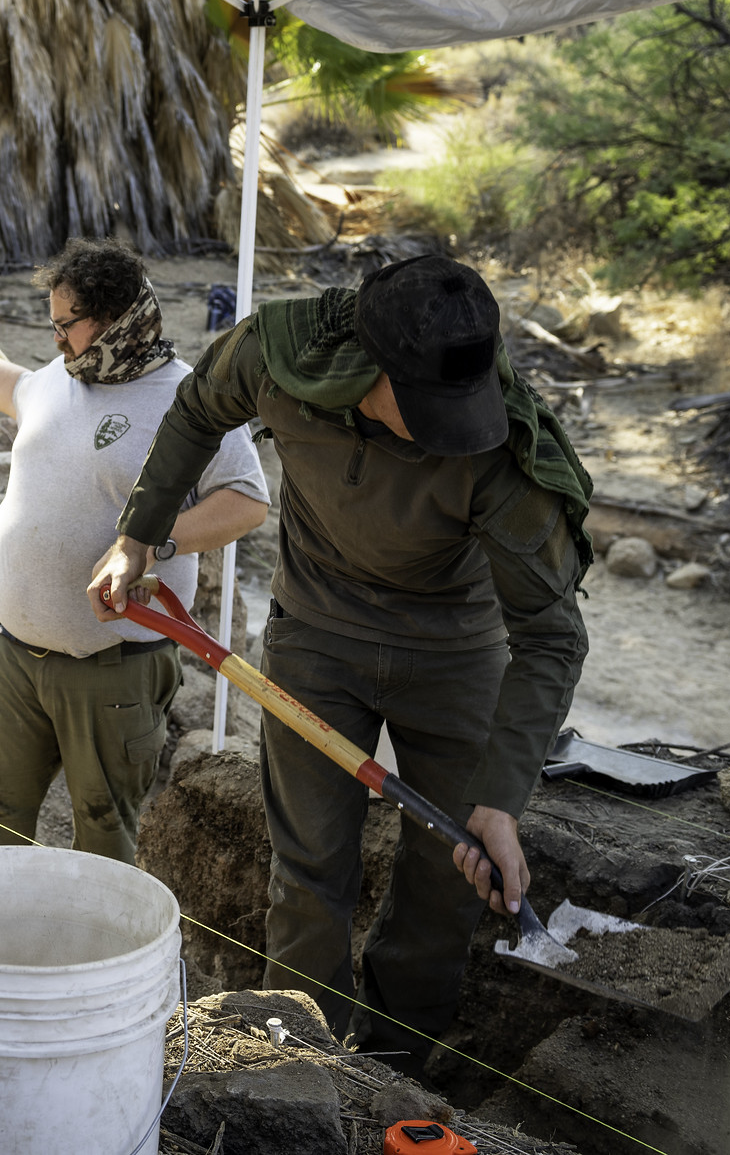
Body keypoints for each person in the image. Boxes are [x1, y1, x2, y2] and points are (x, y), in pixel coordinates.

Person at [88, 256, 592, 1075]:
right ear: (368, 364)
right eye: (429, 406)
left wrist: (501, 801)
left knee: (444, 874)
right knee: (312, 864)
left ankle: (395, 1073)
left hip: (454, 652)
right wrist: (136, 535)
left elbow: (552, 634)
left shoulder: (500, 445)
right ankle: (303, 1064)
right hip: (316, 635)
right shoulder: (281, 352)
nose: (450, 425)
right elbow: (195, 411)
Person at [0, 240, 269, 863]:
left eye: (65, 324)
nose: (56, 340)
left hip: (113, 666)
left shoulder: (193, 401)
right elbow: (15, 387)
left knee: (103, 838)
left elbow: (248, 502)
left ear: (116, 318)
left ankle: (93, 960)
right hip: (8, 651)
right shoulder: (68, 374)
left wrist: (155, 545)